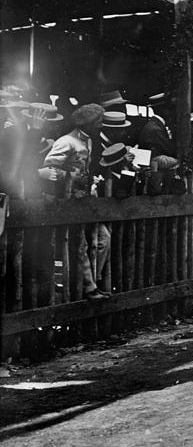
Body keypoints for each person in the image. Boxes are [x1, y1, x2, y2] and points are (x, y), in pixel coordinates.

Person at [40, 104, 110, 300]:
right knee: (79, 244)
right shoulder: (66, 142)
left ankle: (92, 282)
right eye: (98, 122)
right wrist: (73, 176)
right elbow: (47, 170)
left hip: (85, 199)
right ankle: (88, 288)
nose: (101, 125)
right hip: (68, 200)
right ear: (87, 124)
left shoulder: (88, 140)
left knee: (103, 239)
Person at [138, 93, 176, 160]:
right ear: (163, 110)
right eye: (170, 108)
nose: (172, 112)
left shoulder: (153, 124)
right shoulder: (155, 129)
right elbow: (170, 151)